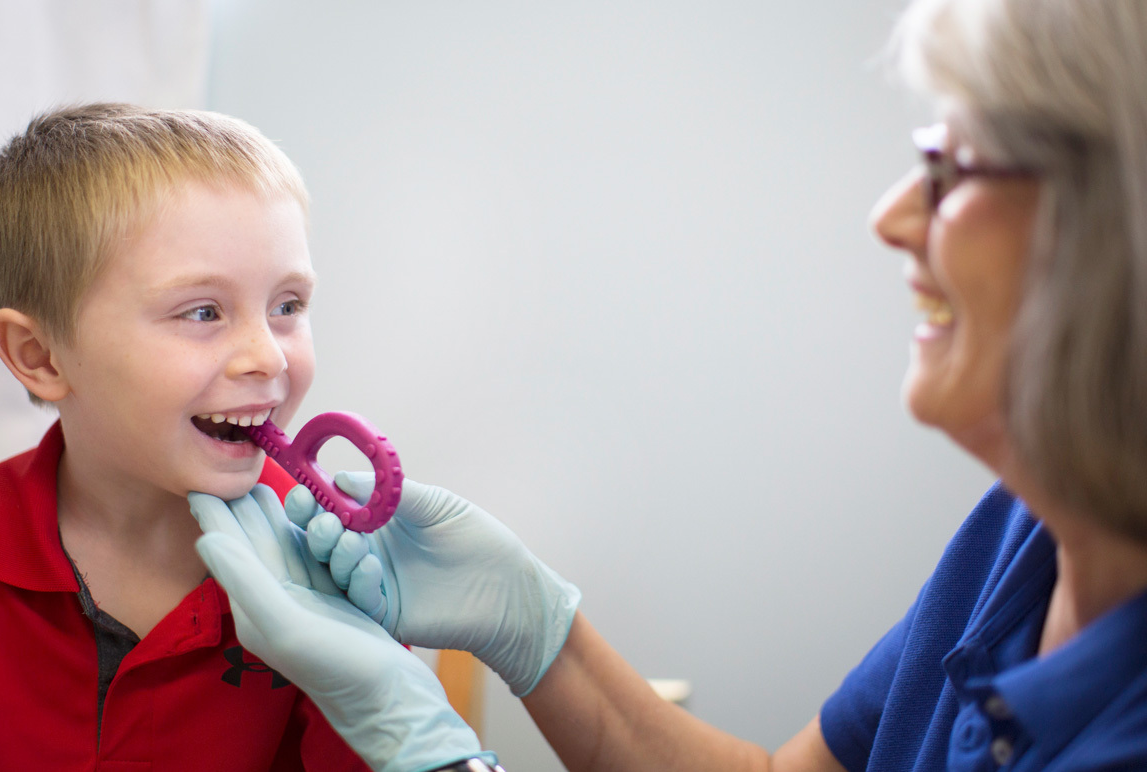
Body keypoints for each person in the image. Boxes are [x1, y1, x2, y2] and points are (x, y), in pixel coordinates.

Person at [190, 0, 1147, 769]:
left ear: (1113, 223)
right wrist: (536, 630)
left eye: (950, 165)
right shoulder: (1016, 536)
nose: (892, 216)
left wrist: (430, 748)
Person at [0, 103, 485, 771]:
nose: (269, 357)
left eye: (287, 306)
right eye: (203, 311)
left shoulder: (339, 570)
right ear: (41, 356)